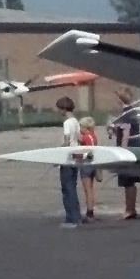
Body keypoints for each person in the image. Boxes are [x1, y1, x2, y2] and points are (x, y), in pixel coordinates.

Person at [111, 96, 140, 219]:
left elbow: (126, 134)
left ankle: (130, 209)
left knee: (128, 181)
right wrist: (114, 131)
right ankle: (130, 208)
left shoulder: (126, 114)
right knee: (130, 182)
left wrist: (122, 151)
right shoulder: (131, 113)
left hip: (128, 150)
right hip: (134, 148)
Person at [55, 96, 83, 227]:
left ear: (64, 109)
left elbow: (66, 141)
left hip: (67, 157)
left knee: (67, 189)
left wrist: (58, 153)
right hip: (75, 157)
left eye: (59, 109)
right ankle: (77, 217)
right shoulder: (76, 121)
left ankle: (71, 219)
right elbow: (78, 138)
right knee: (73, 187)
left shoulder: (67, 123)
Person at [77, 116, 98, 221]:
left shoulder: (85, 137)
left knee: (87, 189)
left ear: (85, 127)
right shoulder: (93, 136)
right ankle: (91, 210)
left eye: (81, 126)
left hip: (86, 164)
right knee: (91, 188)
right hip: (93, 163)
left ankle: (89, 212)